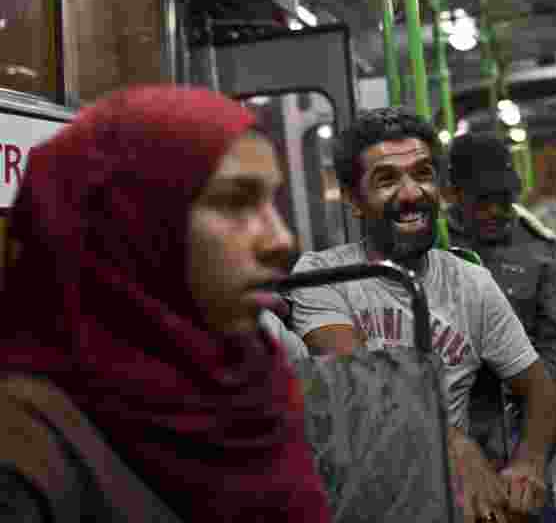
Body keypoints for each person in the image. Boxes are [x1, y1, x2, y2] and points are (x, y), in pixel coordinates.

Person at [0, 86, 330, 521]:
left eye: (272, 201)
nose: (281, 240)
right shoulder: (24, 456)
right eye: (234, 202)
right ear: (131, 224)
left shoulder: (252, 384)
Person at [288, 107, 556, 523]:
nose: (412, 192)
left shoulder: (472, 284)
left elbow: (541, 391)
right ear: (352, 199)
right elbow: (370, 388)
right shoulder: (322, 277)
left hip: (452, 490)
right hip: (366, 487)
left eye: (423, 173)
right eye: (386, 180)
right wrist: (452, 443)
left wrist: (530, 463)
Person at [444, 133, 556, 520]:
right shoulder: (430, 247)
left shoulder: (538, 249)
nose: (495, 212)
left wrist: (529, 417)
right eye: (482, 202)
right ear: (455, 196)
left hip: (518, 417)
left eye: (503, 201)